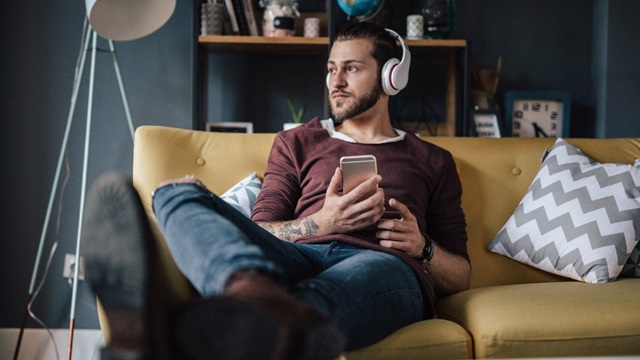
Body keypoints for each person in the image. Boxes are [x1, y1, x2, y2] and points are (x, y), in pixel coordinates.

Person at [83, 21, 470, 360]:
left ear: (391, 77)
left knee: (350, 282)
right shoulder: (297, 142)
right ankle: (250, 293)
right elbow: (259, 230)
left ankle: (170, 332)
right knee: (175, 192)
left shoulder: (432, 159)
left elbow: (462, 276)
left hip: (386, 265)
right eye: (331, 69)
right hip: (294, 257)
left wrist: (423, 247)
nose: (335, 82)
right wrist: (322, 222)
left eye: (351, 69)